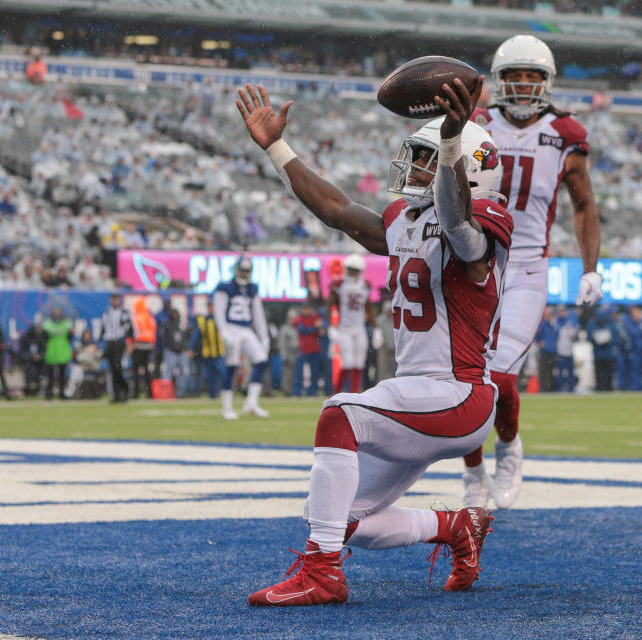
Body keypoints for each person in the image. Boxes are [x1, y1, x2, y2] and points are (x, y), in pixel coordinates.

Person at [235, 73, 511, 606]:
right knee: (335, 517)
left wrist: (454, 138)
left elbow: (455, 223)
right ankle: (456, 525)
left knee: (338, 413)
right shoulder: (407, 221)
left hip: (460, 395)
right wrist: (276, 148)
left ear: (466, 169)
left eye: (431, 159)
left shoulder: (478, 225)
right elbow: (337, 211)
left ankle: (321, 574)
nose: (417, 169)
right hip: (417, 394)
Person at [462, 34, 602, 509]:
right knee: (462, 379)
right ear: (499, 81)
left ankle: (508, 446)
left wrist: (590, 269)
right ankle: (472, 470)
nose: (523, 85)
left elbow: (583, 205)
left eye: (533, 76)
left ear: (547, 81)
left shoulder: (565, 132)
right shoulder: (475, 123)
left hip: (525, 266)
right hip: (473, 260)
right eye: (514, 76)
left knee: (498, 378)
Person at [214, 255, 270, 419]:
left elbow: (258, 314)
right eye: (243, 270)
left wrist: (264, 336)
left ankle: (251, 402)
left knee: (261, 360)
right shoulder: (225, 287)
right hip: (231, 327)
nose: (245, 274)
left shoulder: (252, 288)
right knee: (232, 366)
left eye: (247, 271)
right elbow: (219, 311)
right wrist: (223, 331)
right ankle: (227, 407)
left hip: (246, 329)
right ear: (237, 269)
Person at [328, 253, 373, 394]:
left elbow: (368, 306)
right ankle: (337, 392)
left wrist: (375, 328)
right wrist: (331, 326)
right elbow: (330, 304)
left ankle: (354, 395)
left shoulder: (365, 285)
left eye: (355, 269)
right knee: (347, 363)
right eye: (351, 268)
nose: (353, 272)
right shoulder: (339, 284)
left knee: (359, 363)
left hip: (359, 328)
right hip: (345, 328)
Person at [100, 293, 133, 403]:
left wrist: (130, 342)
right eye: (113, 299)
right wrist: (99, 342)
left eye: (116, 299)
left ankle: (125, 388)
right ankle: (117, 394)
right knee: (113, 369)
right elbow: (103, 328)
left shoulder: (124, 312)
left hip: (119, 342)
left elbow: (129, 328)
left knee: (117, 367)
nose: (115, 301)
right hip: (110, 342)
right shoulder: (106, 311)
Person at [189, 300, 226, 399]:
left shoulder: (221, 319)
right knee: (210, 376)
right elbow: (196, 336)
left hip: (219, 352)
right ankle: (213, 395)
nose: (211, 309)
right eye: (210, 307)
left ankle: (225, 392)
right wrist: (190, 349)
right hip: (207, 352)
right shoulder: (203, 321)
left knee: (223, 373)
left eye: (213, 306)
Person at [292, 301, 324, 396]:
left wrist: (318, 328)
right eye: (305, 308)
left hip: (314, 349)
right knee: (299, 373)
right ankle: (297, 393)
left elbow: (321, 331)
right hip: (303, 349)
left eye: (308, 308)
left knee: (314, 373)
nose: (306, 310)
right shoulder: (299, 319)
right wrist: (315, 327)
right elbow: (303, 330)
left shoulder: (315, 317)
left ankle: (312, 392)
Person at [43, 306, 73, 400]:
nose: (57, 313)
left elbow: (69, 336)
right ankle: (49, 393)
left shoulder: (65, 323)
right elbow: (44, 336)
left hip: (63, 351)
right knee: (51, 375)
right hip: (52, 351)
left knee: (62, 375)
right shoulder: (48, 324)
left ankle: (62, 393)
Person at [130, 296, 156, 399]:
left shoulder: (136, 317)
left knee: (136, 371)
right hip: (148, 347)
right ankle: (150, 393)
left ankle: (136, 393)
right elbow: (154, 332)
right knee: (147, 371)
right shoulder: (149, 317)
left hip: (138, 346)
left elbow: (132, 333)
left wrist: (130, 345)